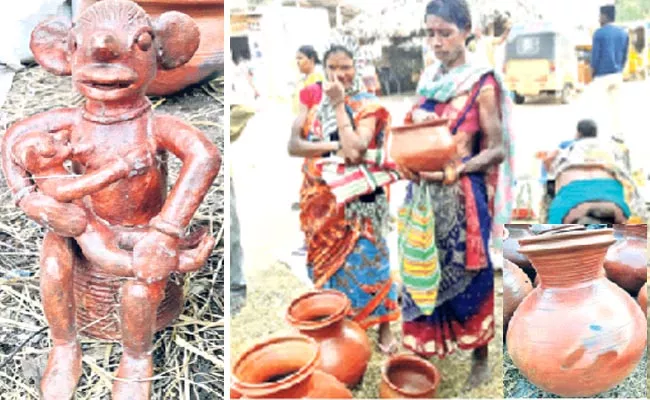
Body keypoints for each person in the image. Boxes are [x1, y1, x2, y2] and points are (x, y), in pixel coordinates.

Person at [398, 0, 514, 391]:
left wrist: (456, 168)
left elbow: (496, 148)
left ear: (467, 31)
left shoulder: (483, 82)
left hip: (463, 195)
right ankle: (425, 344)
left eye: (445, 33)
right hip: (422, 193)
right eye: (430, 33)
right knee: (421, 265)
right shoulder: (428, 79)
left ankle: (479, 355)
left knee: (470, 274)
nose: (436, 41)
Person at [287, 34, 400, 354]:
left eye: (347, 67)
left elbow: (356, 150)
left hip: (360, 201)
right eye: (332, 67)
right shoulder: (313, 99)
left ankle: (384, 327)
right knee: (328, 265)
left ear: (357, 67)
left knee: (371, 258)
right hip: (320, 200)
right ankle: (339, 325)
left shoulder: (369, 106)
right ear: (324, 68)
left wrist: (338, 106)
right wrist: (333, 146)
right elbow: (294, 144)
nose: (339, 75)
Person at [541, 119, 645, 224]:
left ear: (578, 134)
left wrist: (553, 168)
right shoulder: (611, 148)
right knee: (631, 233)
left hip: (572, 197)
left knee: (551, 232)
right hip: (612, 196)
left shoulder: (568, 149)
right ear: (596, 133)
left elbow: (547, 160)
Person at [588, 5, 629, 141]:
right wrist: (619, 69)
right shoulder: (623, 33)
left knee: (596, 106)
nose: (598, 18)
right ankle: (618, 134)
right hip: (617, 75)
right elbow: (625, 56)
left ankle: (595, 136)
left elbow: (595, 58)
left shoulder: (599, 33)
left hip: (602, 76)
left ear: (605, 16)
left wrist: (591, 74)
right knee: (616, 107)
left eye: (600, 15)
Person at [293, 45, 325, 114]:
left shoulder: (317, 80)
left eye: (300, 58)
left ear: (311, 59)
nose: (297, 62)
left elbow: (316, 107)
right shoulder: (301, 81)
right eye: (296, 59)